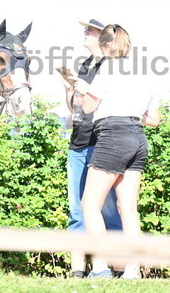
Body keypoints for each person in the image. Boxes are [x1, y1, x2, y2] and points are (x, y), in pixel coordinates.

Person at [76, 24, 161, 279]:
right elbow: (154, 120)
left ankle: (100, 267)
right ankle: (133, 271)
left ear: (106, 45)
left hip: (112, 135)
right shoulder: (146, 73)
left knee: (90, 205)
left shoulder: (107, 69)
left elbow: (89, 108)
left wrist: (83, 91)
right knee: (128, 208)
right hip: (137, 136)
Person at [60, 19, 123, 278]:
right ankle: (77, 271)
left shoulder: (112, 67)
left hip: (102, 143)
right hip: (78, 142)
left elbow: (106, 103)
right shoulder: (84, 65)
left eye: (90, 30)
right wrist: (67, 88)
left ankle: (118, 268)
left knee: (108, 210)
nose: (85, 33)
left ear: (104, 38)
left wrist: (84, 91)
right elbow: (74, 107)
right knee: (77, 210)